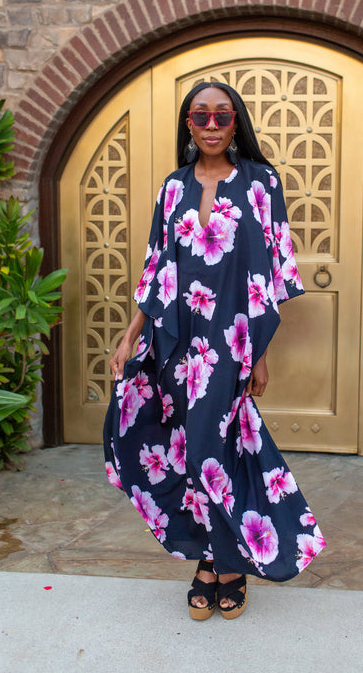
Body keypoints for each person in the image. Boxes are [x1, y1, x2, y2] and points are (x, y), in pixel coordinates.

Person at [103, 81, 325, 621]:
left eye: (221, 115)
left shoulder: (260, 183)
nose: (210, 125)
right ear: (188, 123)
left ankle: (226, 561)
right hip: (174, 339)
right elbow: (158, 264)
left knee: (213, 451)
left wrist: (262, 352)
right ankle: (214, 560)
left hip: (231, 342)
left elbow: (270, 271)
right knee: (182, 448)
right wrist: (132, 332)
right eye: (199, 115)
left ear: (235, 121)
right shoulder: (172, 188)